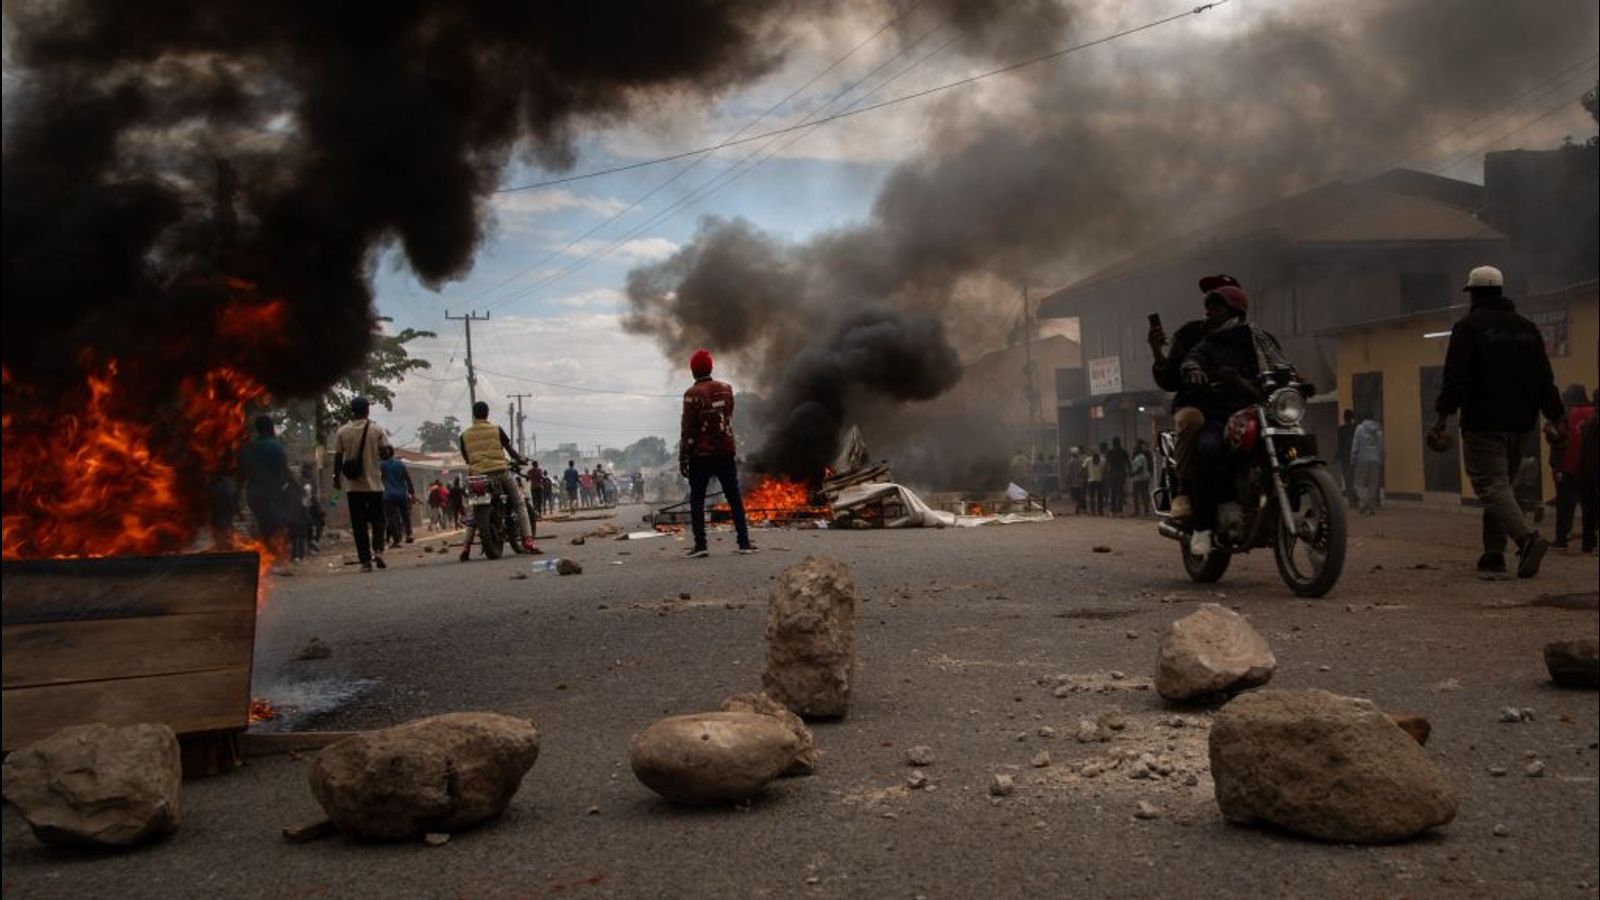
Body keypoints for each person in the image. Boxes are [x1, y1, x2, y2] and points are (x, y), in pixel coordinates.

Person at [1429, 265, 1565, 578]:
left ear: (1473, 294)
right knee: (1504, 487)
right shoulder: (1528, 329)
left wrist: (1442, 416)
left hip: (1484, 422)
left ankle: (1526, 540)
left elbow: (1455, 377)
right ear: (1501, 292)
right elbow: (1546, 379)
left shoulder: (1468, 327)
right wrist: (1557, 417)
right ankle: (1493, 551)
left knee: (1491, 486)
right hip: (1522, 424)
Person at [1178, 283, 1290, 535]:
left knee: (1291, 443)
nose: (1209, 313)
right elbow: (1192, 359)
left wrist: (1300, 381)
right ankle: (1202, 527)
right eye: (1209, 308)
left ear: (1234, 310)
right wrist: (1193, 370)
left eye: (1216, 307)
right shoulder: (1208, 344)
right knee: (1209, 449)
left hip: (1261, 412)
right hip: (1220, 416)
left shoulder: (1260, 340)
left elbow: (1281, 365)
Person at [1149, 274, 1237, 521]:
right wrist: (1157, 352)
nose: (1212, 306)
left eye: (1221, 300)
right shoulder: (1193, 336)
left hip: (1239, 408)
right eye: (1211, 300)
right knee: (1195, 425)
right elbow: (1171, 378)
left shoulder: (1251, 337)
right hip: (1201, 406)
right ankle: (1184, 492)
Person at [680, 349, 756, 557]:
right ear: (710, 368)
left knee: (697, 500)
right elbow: (728, 415)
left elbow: (688, 429)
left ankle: (701, 545)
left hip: (701, 456)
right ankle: (744, 542)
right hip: (725, 451)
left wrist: (683, 456)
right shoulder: (726, 389)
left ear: (693, 371)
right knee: (734, 497)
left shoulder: (691, 394)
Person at [457, 400, 539, 559]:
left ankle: (466, 546)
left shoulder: (465, 435)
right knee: (519, 502)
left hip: (477, 475)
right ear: (487, 413)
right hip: (500, 472)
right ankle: (528, 541)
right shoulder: (496, 429)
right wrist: (521, 459)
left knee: (474, 509)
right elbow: (511, 451)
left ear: (474, 415)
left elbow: (467, 458)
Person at [332, 396, 392, 573]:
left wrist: (337, 479)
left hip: (353, 487)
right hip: (374, 484)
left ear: (352, 411)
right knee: (378, 519)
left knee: (358, 524)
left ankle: (365, 561)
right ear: (367, 410)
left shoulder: (342, 432)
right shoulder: (376, 430)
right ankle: (379, 550)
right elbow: (386, 452)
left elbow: (337, 457)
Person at [237, 414, 293, 553]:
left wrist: (237, 497)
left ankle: (267, 555)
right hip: (274, 492)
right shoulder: (276, 447)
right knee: (278, 526)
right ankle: (277, 558)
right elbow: (285, 472)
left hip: (254, 493)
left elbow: (242, 474)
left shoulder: (249, 448)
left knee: (264, 524)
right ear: (271, 428)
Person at [1552, 384, 1595, 551]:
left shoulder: (1565, 414)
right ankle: (1589, 542)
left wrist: (1555, 467)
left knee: (1564, 506)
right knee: (1589, 506)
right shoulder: (1593, 413)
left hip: (1568, 468)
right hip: (1589, 470)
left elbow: (1556, 443)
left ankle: (1561, 539)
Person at [378, 445, 415, 547]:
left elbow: (378, 480)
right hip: (402, 494)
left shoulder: (381, 466)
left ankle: (396, 540)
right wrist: (412, 493)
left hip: (388, 496)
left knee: (392, 518)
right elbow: (408, 479)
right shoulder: (400, 464)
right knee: (405, 515)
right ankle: (409, 534)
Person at [1350, 411, 1384, 516]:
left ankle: (1364, 501)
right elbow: (1382, 447)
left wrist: (1352, 459)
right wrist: (1382, 459)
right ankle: (1371, 508)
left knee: (1358, 484)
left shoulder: (1359, 429)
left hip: (1362, 460)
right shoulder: (1378, 430)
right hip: (1375, 460)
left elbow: (1355, 445)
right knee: (1373, 485)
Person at [1336, 409, 1359, 506]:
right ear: (1353, 417)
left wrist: (1336, 456)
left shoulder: (1341, 429)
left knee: (1348, 479)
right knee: (1356, 479)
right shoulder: (1356, 428)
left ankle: (1351, 500)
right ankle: (1356, 498)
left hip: (1344, 458)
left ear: (1344, 418)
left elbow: (1340, 445)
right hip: (1355, 457)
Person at [1105, 437, 1130, 515]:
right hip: (1121, 473)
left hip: (1113, 473)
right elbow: (1128, 462)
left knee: (1113, 491)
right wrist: (1130, 471)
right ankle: (1119, 509)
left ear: (1113, 443)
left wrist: (1105, 473)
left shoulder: (1110, 452)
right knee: (1120, 491)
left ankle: (1113, 509)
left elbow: (1107, 463)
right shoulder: (1123, 452)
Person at [1129, 439, 1151, 517]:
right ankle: (1145, 511)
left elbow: (1140, 468)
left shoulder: (1140, 457)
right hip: (1141, 478)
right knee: (1143, 494)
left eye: (1135, 448)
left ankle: (1138, 511)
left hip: (1140, 478)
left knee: (1137, 494)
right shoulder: (1138, 457)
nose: (1134, 450)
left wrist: (1133, 474)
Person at [1063, 446, 1087, 514]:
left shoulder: (1069, 462)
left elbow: (1069, 473)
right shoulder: (1081, 461)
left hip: (1073, 482)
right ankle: (1082, 508)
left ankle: (1077, 505)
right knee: (1081, 495)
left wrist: (1067, 482)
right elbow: (1084, 471)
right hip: (1081, 481)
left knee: (1074, 495)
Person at [1084, 446, 1106, 516]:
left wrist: (1083, 477)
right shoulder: (1103, 460)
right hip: (1100, 480)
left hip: (1091, 480)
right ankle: (1100, 510)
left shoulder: (1088, 460)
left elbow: (1083, 469)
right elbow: (1105, 470)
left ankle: (1092, 511)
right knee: (1100, 497)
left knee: (1092, 497)